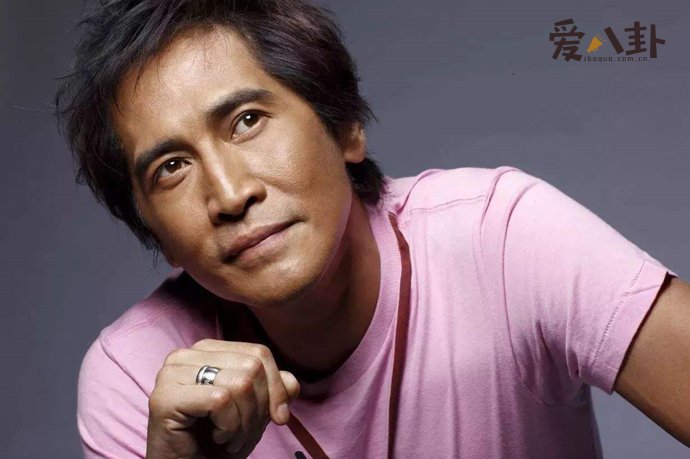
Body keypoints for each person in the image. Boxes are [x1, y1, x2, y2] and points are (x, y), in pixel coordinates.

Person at [55, 1, 690, 458]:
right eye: (171, 167)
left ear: (345, 127)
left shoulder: (502, 241)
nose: (228, 194)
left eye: (247, 120)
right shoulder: (138, 377)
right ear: (154, 232)